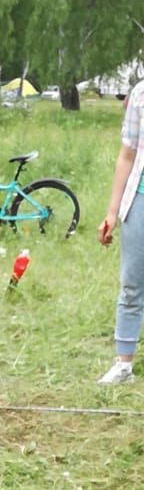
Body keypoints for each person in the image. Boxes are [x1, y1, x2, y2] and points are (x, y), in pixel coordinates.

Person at [97, 79, 144, 384]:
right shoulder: (141, 93)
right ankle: (123, 365)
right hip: (139, 201)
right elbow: (126, 155)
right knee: (131, 284)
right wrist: (112, 212)